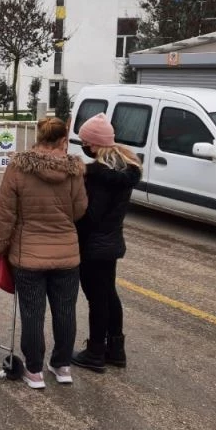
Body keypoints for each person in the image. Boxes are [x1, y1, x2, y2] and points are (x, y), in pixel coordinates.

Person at [0, 117, 88, 389]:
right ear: (62, 139)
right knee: (65, 311)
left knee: (33, 313)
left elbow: (6, 213)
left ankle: (34, 371)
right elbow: (80, 209)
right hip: (67, 254)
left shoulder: (17, 168)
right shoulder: (74, 170)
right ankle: (62, 365)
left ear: (38, 136)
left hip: (28, 254)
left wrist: (0, 246)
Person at [71, 113, 141, 372]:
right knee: (109, 296)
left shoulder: (100, 176)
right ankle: (116, 349)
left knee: (97, 300)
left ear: (94, 144)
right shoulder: (123, 168)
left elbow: (91, 215)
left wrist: (74, 229)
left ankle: (95, 352)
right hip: (111, 242)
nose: (84, 147)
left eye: (85, 142)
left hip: (93, 246)